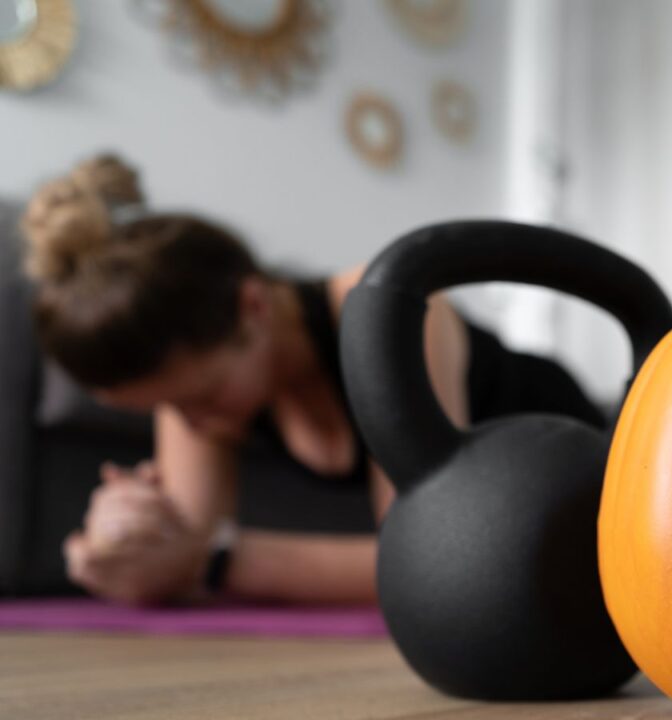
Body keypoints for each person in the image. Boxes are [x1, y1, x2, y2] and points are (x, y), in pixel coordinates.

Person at [22, 154, 604, 606]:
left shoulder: (385, 312)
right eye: (161, 410)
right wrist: (123, 538)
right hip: (497, 533)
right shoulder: (197, 387)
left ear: (252, 305)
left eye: (198, 398)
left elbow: (429, 564)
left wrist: (213, 560)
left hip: (589, 475)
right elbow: (179, 562)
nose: (188, 422)